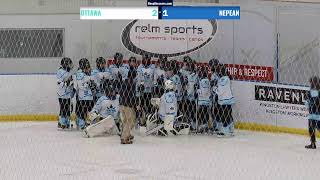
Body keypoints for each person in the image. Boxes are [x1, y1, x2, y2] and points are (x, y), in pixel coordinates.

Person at [119, 56, 138, 144]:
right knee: (129, 121)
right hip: (128, 105)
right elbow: (132, 96)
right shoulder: (132, 84)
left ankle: (126, 134)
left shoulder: (125, 82)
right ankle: (124, 138)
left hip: (122, 104)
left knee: (126, 121)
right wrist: (136, 105)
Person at [75, 58, 95, 129]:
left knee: (90, 109)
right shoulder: (79, 73)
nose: (88, 68)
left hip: (89, 96)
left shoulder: (90, 72)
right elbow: (80, 86)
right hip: (81, 95)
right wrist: (87, 83)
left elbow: (93, 81)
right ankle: (81, 123)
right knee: (81, 110)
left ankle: (89, 122)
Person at [216, 65, 235, 137]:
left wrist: (214, 88)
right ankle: (231, 130)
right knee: (228, 114)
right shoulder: (227, 78)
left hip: (224, 100)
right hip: (228, 100)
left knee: (224, 115)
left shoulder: (223, 79)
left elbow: (220, 91)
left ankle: (225, 131)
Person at [136, 54, 155, 125]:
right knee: (141, 106)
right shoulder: (140, 67)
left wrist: (154, 85)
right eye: (145, 59)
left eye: (147, 59)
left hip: (150, 90)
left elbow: (154, 77)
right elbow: (139, 77)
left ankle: (149, 120)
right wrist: (140, 84)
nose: (146, 61)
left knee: (149, 106)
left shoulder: (153, 67)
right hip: (142, 90)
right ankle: (141, 121)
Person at [56, 57, 75, 129]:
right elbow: (59, 83)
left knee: (67, 108)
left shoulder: (69, 72)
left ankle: (66, 122)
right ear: (65, 64)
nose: (70, 65)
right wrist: (67, 83)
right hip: (62, 94)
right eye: (69, 64)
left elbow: (71, 81)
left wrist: (72, 88)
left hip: (68, 93)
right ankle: (61, 122)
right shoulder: (60, 71)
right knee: (63, 108)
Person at [305, 76, 320, 149]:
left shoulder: (309, 92)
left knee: (311, 129)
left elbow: (306, 103)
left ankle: (313, 144)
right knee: (316, 128)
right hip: (318, 115)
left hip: (312, 115)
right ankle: (313, 144)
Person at [195, 66, 211, 133]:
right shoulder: (207, 80)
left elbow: (202, 92)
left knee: (202, 113)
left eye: (199, 72)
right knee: (204, 113)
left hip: (203, 100)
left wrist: (197, 90)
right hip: (206, 100)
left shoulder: (203, 81)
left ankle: (203, 126)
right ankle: (204, 125)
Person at [185, 62, 199, 130]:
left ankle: (194, 125)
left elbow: (197, 84)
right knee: (188, 111)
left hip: (194, 97)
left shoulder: (196, 75)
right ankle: (190, 124)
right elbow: (187, 84)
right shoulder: (188, 74)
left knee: (193, 112)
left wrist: (196, 92)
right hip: (188, 96)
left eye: (191, 67)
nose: (189, 68)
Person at [209, 58, 221, 132]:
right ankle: (215, 125)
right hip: (214, 95)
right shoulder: (214, 74)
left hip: (217, 95)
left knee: (216, 110)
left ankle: (217, 126)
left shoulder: (217, 75)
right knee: (213, 110)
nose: (210, 67)